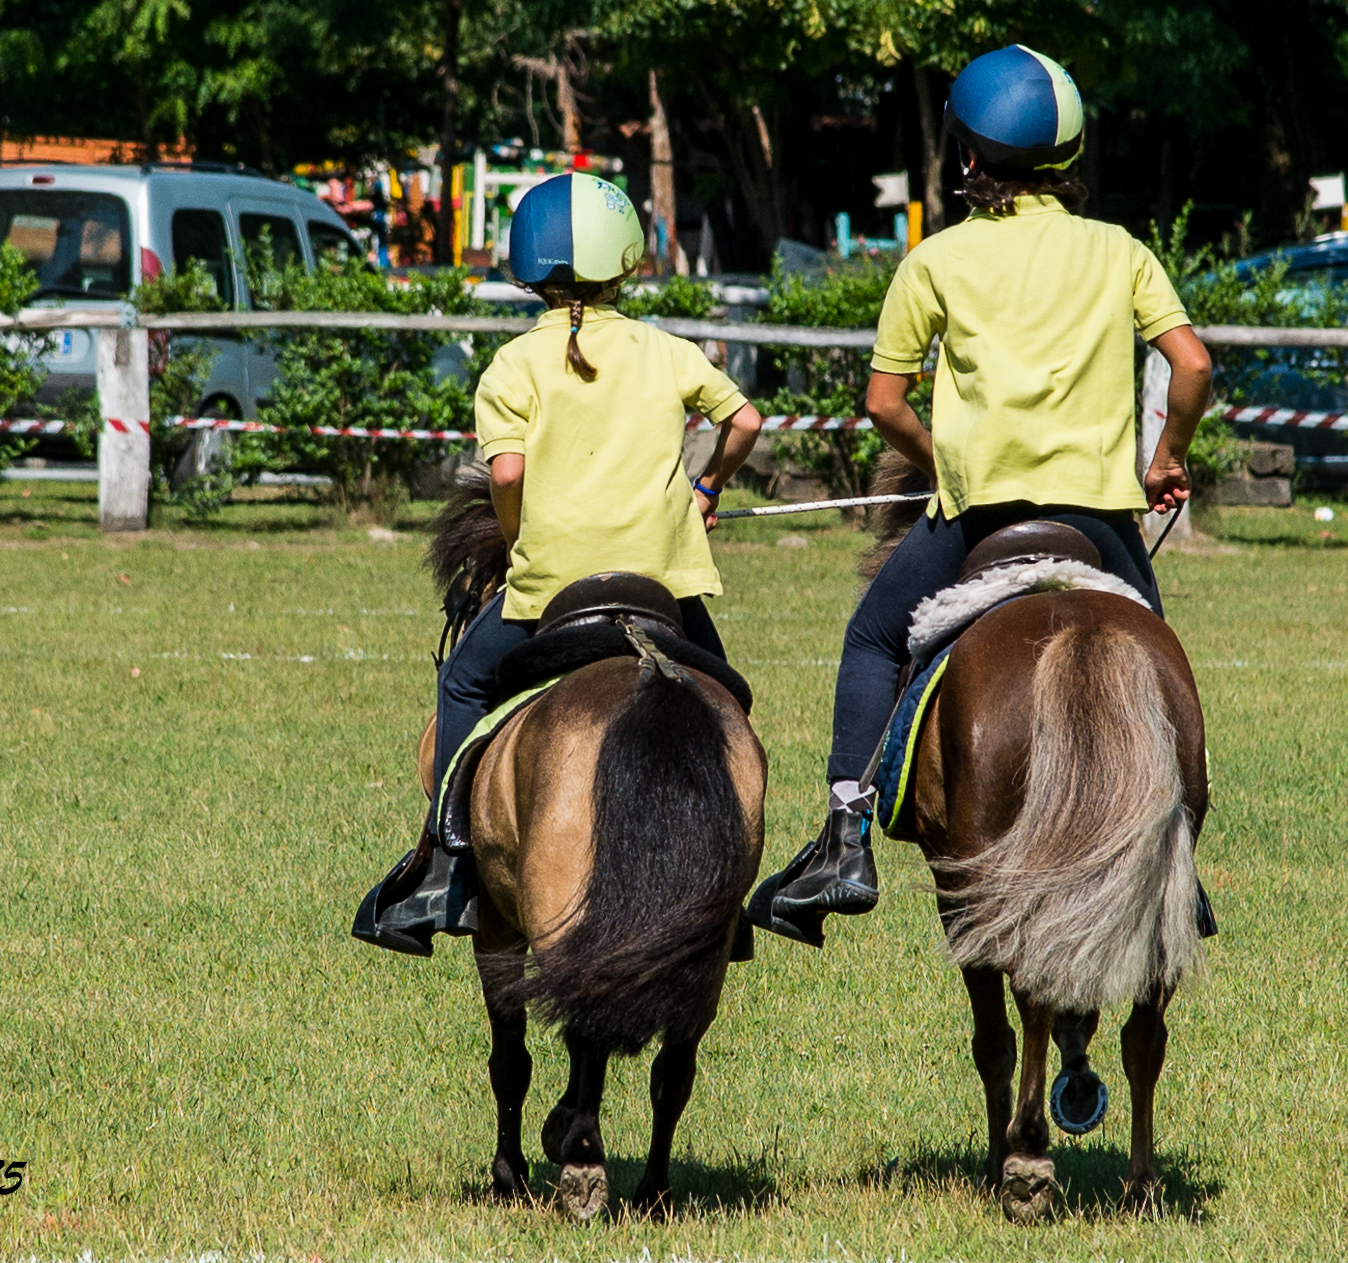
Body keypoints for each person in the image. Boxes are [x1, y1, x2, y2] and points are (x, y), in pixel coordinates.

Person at [747, 44, 1215, 946]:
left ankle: (845, 837)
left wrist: (939, 458)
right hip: (1099, 527)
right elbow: (1190, 365)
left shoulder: (936, 260)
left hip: (976, 523)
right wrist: (1166, 456)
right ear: (1069, 159)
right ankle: (1177, 858)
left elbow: (884, 401)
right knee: (1162, 660)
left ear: (969, 157)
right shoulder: (1121, 251)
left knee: (874, 637)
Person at [390, 171, 764, 950]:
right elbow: (746, 419)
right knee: (730, 706)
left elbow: (506, 474)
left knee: (462, 679)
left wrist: (518, 528)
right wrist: (706, 485)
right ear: (627, 262)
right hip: (662, 584)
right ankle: (728, 885)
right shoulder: (667, 350)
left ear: (528, 272)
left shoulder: (512, 366)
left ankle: (445, 850)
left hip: (548, 587)